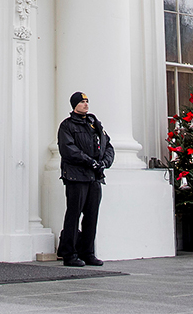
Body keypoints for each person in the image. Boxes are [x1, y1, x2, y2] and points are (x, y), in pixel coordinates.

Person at [57, 91, 113, 267]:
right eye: (82, 102)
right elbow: (68, 150)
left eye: (87, 101)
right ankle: (69, 253)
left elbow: (108, 145)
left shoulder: (94, 124)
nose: (86, 104)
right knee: (73, 215)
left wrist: (104, 162)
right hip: (76, 177)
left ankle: (87, 252)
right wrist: (90, 162)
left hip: (94, 177)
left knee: (91, 216)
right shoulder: (67, 126)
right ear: (74, 105)